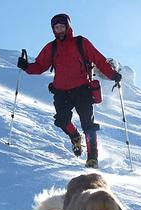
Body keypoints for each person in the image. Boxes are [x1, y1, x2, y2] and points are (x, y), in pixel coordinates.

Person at [17, 13, 122, 168]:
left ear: (68, 27)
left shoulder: (81, 42)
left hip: (82, 90)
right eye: (56, 27)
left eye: (62, 27)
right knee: (62, 120)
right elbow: (40, 66)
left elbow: (99, 59)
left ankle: (92, 158)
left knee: (88, 124)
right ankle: (74, 136)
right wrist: (26, 66)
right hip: (61, 91)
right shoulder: (51, 47)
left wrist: (112, 74)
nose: (59, 30)